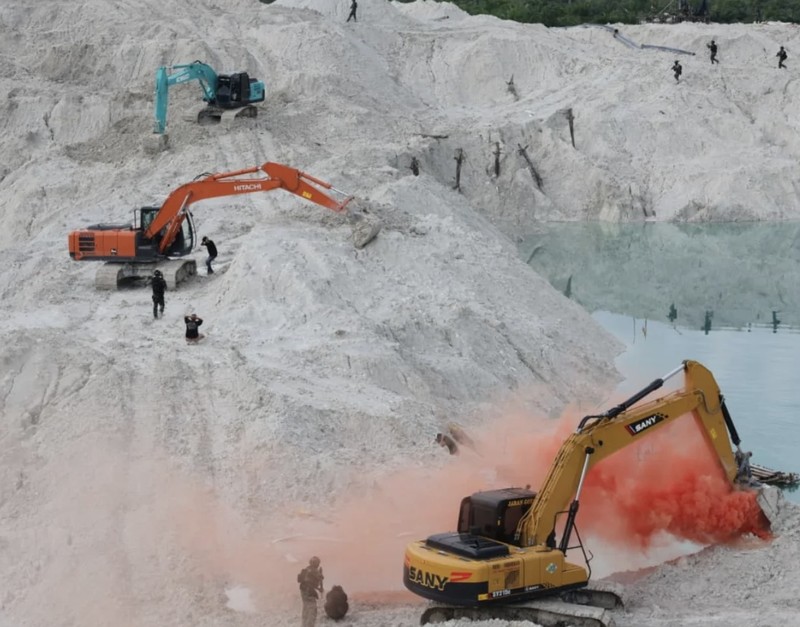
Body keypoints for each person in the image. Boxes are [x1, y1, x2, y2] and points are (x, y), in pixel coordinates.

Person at [298, 556, 324, 627]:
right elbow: (320, 578)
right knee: (312, 610)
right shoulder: (314, 570)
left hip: (303, 591)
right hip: (309, 592)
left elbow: (309, 582)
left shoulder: (307, 569)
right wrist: (320, 574)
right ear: (316, 563)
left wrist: (318, 589)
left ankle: (304, 625)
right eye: (318, 563)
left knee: (306, 609)